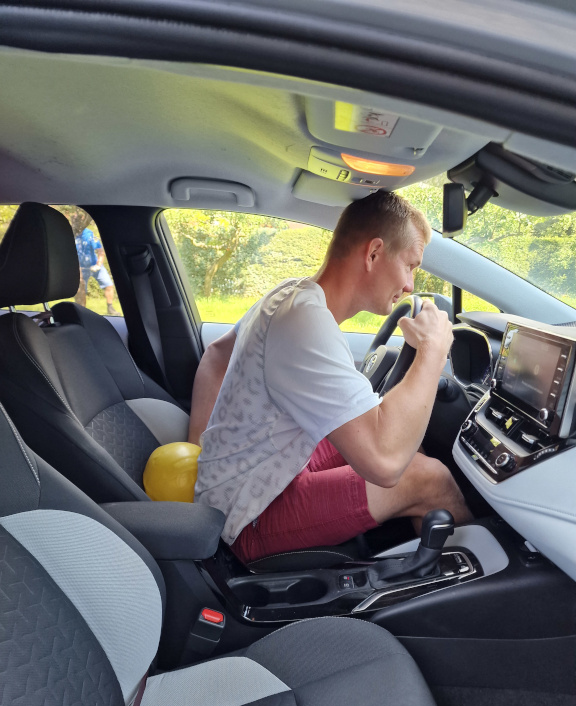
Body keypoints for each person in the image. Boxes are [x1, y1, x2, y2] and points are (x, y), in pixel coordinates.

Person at [189, 190, 472, 563]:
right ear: (373, 254)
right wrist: (433, 350)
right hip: (246, 516)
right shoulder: (305, 323)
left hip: (257, 478)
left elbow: (216, 355)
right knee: (429, 478)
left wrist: (201, 458)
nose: (410, 285)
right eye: (410, 266)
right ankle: (482, 582)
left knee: (411, 449)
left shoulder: (290, 295)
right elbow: (385, 463)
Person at [75, 227, 120, 315]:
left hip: (95, 265)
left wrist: (98, 265)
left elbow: (100, 251)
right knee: (80, 290)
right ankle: (81, 312)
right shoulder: (72, 235)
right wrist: (77, 268)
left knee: (109, 285)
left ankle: (110, 308)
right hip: (81, 268)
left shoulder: (89, 234)